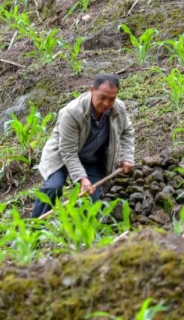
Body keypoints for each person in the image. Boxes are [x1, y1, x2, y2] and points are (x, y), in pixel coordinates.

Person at [32, 73, 135, 218]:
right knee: (53, 187)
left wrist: (127, 157)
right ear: (92, 90)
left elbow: (127, 131)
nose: (106, 103)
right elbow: (67, 152)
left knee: (93, 200)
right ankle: (34, 226)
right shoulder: (72, 112)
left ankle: (83, 230)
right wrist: (81, 178)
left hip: (90, 159)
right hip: (61, 156)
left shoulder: (118, 109)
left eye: (111, 99)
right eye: (102, 97)